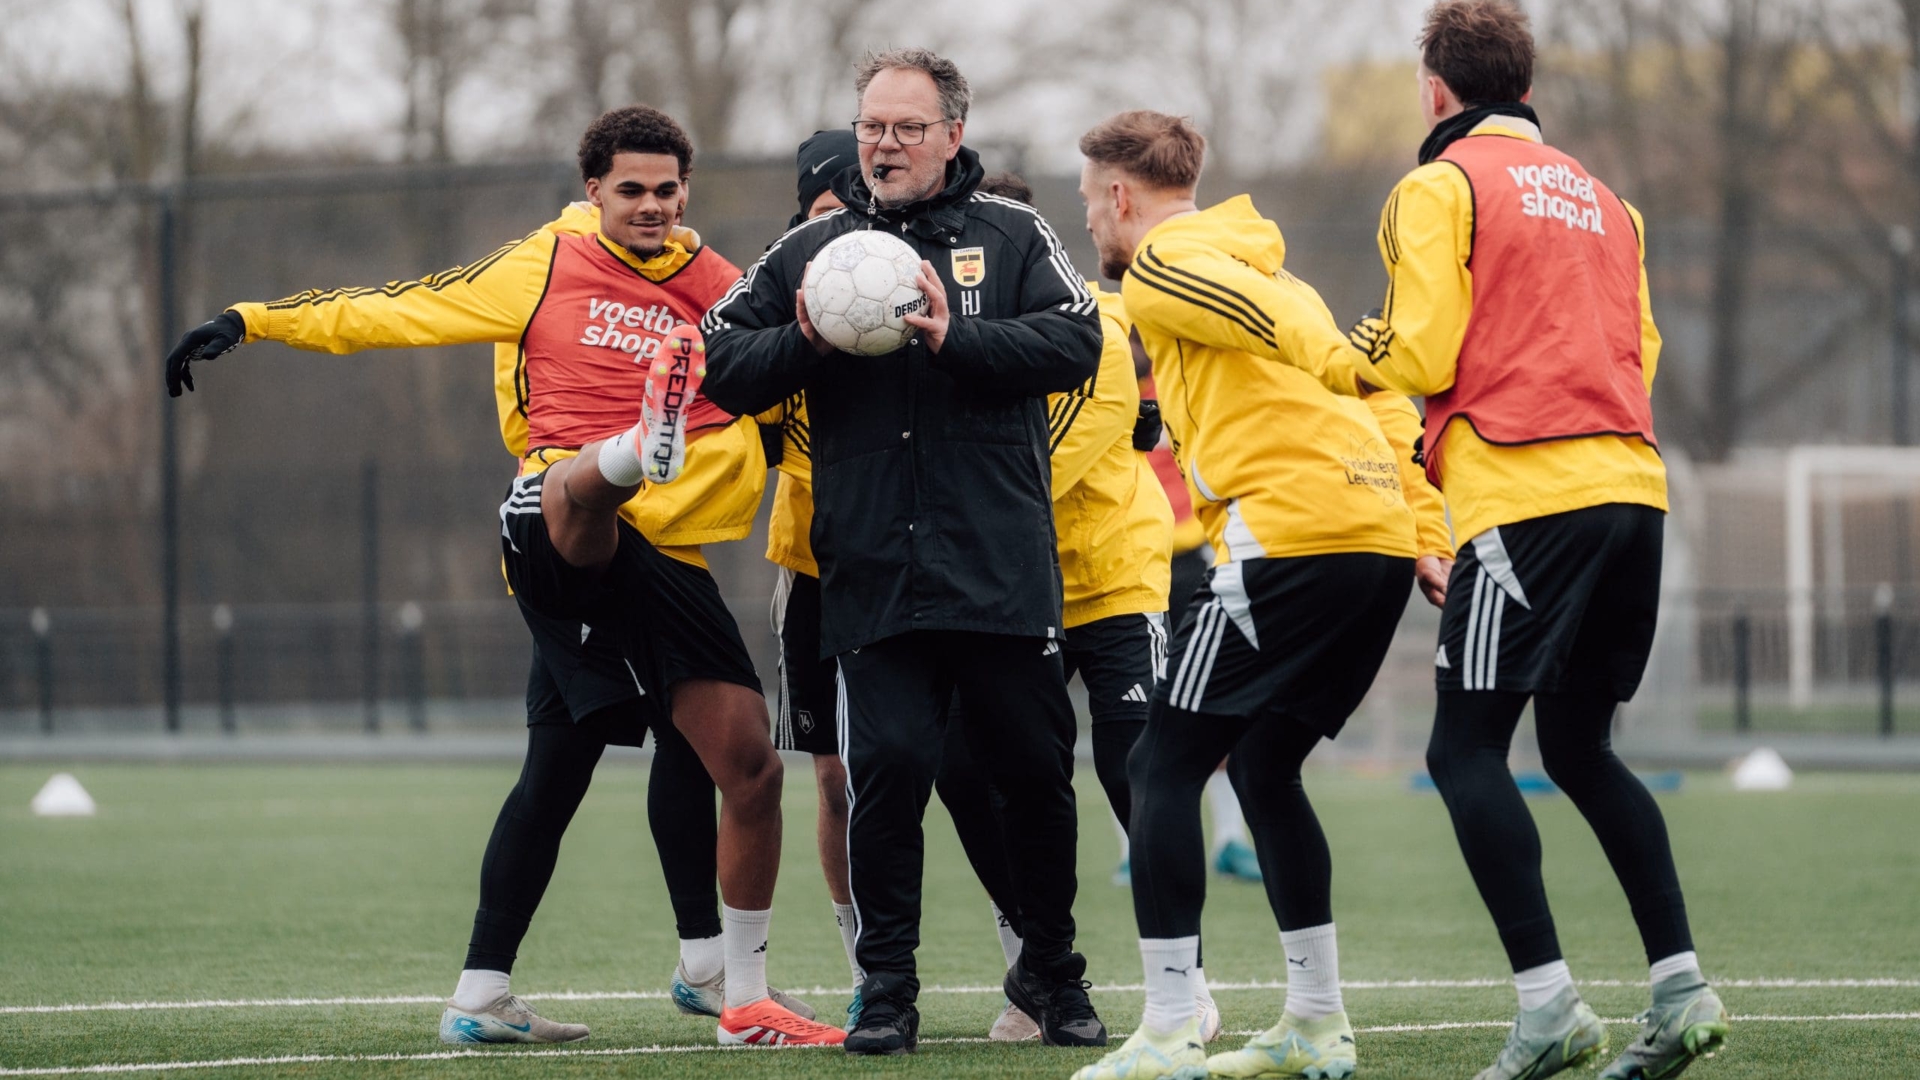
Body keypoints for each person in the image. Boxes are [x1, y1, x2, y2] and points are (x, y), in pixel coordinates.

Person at [161, 105, 841, 1048]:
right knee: (578, 509)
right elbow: (398, 308)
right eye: (631, 190)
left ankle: (505, 994)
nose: (651, 205)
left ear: (687, 191)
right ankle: (621, 457)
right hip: (566, 531)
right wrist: (255, 319)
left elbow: (787, 398)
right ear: (594, 188)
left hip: (666, 559)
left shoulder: (720, 284)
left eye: (667, 190)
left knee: (655, 770)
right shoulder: (543, 265)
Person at [1334, 4, 1728, 1077]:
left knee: (1461, 748)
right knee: (1581, 748)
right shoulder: (1612, 204)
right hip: (1632, 491)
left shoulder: (1439, 183)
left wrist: (1337, 353)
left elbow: (1417, 347)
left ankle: (1550, 1006)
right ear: (1523, 82)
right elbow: (1635, 349)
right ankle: (1681, 986)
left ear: (1436, 91)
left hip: (1527, 490)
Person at [702, 48, 1107, 1056]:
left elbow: (1078, 342)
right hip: (874, 571)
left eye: (907, 128)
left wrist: (950, 339)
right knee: (885, 775)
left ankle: (1055, 979)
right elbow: (720, 359)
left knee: (1033, 778)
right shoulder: (816, 250)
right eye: (872, 126)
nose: (884, 144)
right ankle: (885, 991)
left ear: (952, 136)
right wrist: (808, 345)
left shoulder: (1014, 235)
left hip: (1000, 567)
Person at [1068, 109, 1445, 1080]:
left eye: (1088, 205)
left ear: (1119, 196)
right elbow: (1384, 404)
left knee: (1159, 767)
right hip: (1375, 541)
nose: (1092, 230)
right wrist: (1429, 531)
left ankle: (1166, 1032)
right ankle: (1317, 1025)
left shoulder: (1165, 262)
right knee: (1266, 768)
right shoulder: (1270, 263)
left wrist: (1329, 354)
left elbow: (1313, 348)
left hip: (1289, 537)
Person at [923, 170, 1199, 1044]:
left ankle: (1185, 982)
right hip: (1008, 590)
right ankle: (1041, 961)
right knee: (965, 769)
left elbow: (1035, 476)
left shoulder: (1101, 329)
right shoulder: (922, 332)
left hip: (1109, 577)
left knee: (1136, 772)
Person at [752, 127, 867, 1008]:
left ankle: (1029, 966)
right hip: (813, 565)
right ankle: (867, 967)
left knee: (962, 771)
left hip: (917, 560)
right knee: (832, 776)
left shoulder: (906, 274)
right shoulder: (777, 286)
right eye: (824, 214)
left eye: (854, 210)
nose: (841, 231)